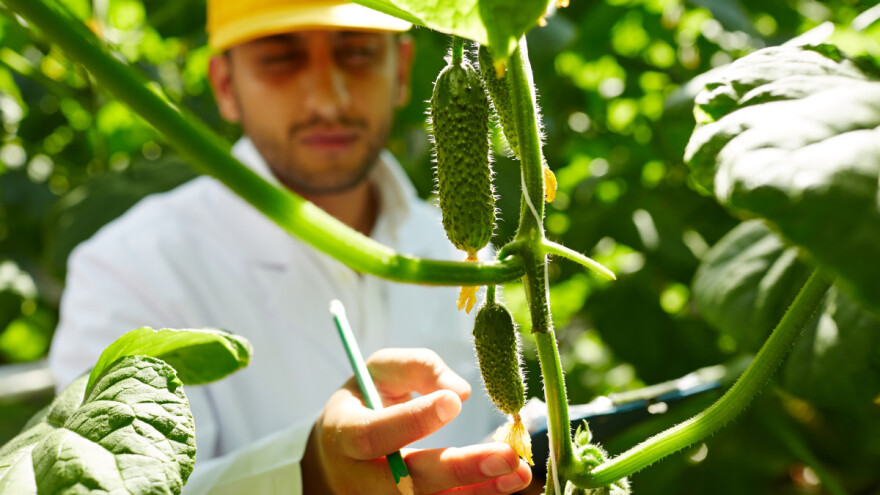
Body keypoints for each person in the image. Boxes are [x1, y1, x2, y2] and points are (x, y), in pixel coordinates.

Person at [47, 0, 533, 493]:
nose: (328, 98)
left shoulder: (451, 247)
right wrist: (311, 471)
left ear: (402, 70)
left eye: (359, 53)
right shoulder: (125, 269)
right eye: (281, 59)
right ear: (224, 85)